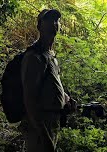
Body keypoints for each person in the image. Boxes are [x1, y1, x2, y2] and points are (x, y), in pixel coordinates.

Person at [21, 9, 73, 152]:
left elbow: (50, 86)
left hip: (52, 121)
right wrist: (43, 136)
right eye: (48, 20)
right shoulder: (34, 57)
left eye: (56, 20)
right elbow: (29, 99)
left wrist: (65, 98)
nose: (54, 24)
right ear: (39, 26)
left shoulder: (50, 55)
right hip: (40, 126)